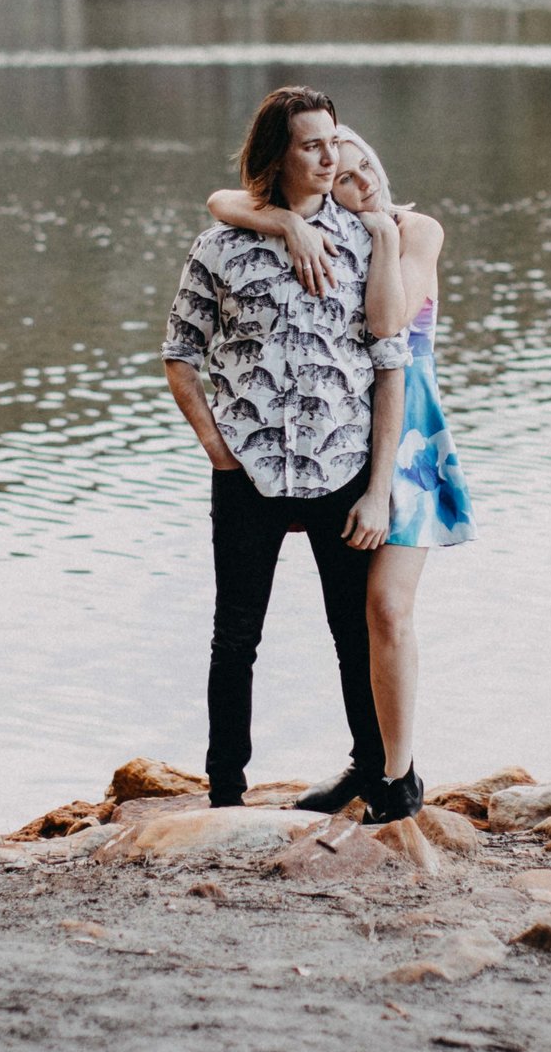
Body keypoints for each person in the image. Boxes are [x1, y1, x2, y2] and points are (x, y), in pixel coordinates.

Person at [206, 125, 471, 824]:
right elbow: (220, 200)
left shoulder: (415, 231)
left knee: (386, 608)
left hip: (409, 443)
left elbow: (389, 321)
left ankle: (401, 773)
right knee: (358, 617)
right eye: (344, 176)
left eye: (363, 166)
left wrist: (380, 233)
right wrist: (288, 221)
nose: (361, 181)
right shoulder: (337, 234)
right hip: (348, 443)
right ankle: (371, 761)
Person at [161, 86, 411, 822]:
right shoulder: (221, 245)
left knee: (351, 634)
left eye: (333, 141)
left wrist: (378, 486)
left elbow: (390, 361)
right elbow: (179, 354)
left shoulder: (369, 239)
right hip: (251, 473)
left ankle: (375, 779)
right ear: (280, 155)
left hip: (342, 468)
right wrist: (218, 450)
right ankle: (225, 795)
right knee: (235, 636)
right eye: (312, 144)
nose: (329, 155)